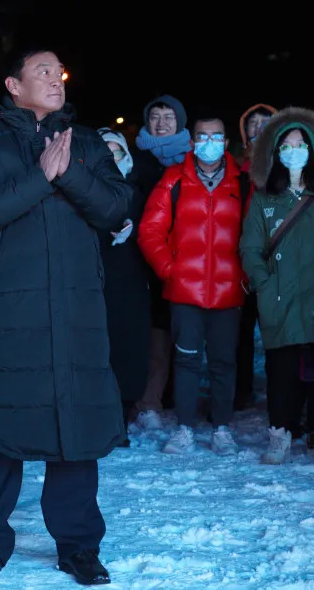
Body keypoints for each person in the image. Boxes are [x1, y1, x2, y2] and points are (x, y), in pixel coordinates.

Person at [0, 48, 130, 586]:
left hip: (76, 309)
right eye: (42, 72)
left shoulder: (89, 142)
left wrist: (68, 171)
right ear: (12, 84)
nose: (56, 80)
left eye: (60, 72)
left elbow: (116, 207)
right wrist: (40, 176)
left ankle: (78, 545)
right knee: (0, 430)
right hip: (11, 311)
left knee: (75, 427)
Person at [138, 114, 246, 455]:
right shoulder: (174, 180)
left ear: (226, 144)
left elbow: (256, 235)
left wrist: (243, 277)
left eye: (216, 137)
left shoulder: (242, 183)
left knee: (223, 362)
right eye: (203, 137)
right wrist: (171, 270)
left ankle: (222, 428)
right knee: (185, 361)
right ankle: (184, 428)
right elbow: (150, 231)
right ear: (192, 142)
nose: (209, 144)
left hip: (228, 293)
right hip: (185, 291)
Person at [240, 107, 314, 463]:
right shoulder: (264, 197)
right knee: (280, 370)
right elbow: (250, 249)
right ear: (276, 153)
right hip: (279, 297)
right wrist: (264, 285)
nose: (294, 151)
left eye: (301, 144)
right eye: (287, 145)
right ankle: (280, 433)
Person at [131, 95, 190, 428]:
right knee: (152, 331)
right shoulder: (135, 159)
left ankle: (174, 396)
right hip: (141, 259)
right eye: (156, 116)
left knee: (180, 331)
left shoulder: (194, 161)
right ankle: (147, 398)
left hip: (184, 258)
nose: (163, 122)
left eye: (170, 116)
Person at [96, 128, 151, 445]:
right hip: (92, 281)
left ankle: (121, 418)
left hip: (129, 283)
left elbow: (152, 229)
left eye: (116, 152)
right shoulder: (82, 190)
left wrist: (134, 227)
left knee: (127, 350)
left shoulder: (136, 190)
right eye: (105, 152)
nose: (111, 158)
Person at [235, 103, 277, 411]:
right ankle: (242, 390)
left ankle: (282, 396)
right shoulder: (234, 166)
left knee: (278, 333)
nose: (259, 128)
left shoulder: (288, 167)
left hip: (276, 265)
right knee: (241, 332)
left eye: (267, 122)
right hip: (237, 263)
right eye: (253, 124)